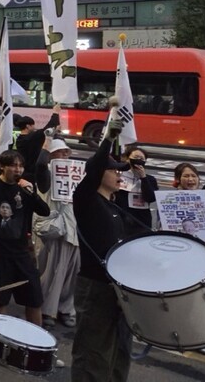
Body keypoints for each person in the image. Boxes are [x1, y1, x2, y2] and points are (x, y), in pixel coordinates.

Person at [72, 118, 133, 382]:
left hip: (118, 287)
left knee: (119, 349)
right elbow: (95, 166)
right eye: (114, 170)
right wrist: (107, 137)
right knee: (93, 351)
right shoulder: (86, 199)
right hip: (95, 286)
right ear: (98, 174)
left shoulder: (114, 205)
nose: (119, 175)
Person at [0, 149, 50, 327]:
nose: (18, 170)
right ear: (2, 166)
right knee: (0, 300)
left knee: (34, 299)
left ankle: (35, 339)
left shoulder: (25, 188)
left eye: (20, 166)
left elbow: (44, 211)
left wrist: (31, 193)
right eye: (13, 165)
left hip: (22, 252)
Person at [33, 136, 79, 329]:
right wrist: (46, 143)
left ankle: (66, 308)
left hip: (73, 228)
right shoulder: (46, 175)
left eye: (66, 152)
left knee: (71, 272)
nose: (64, 156)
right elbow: (40, 166)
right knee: (51, 271)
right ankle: (47, 311)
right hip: (53, 228)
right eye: (59, 152)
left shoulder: (75, 175)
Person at [114, 145, 157, 230]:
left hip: (142, 219)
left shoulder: (150, 179)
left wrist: (143, 178)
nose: (138, 160)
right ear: (127, 159)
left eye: (142, 158)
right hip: (122, 216)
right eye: (136, 157)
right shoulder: (119, 176)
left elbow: (150, 198)